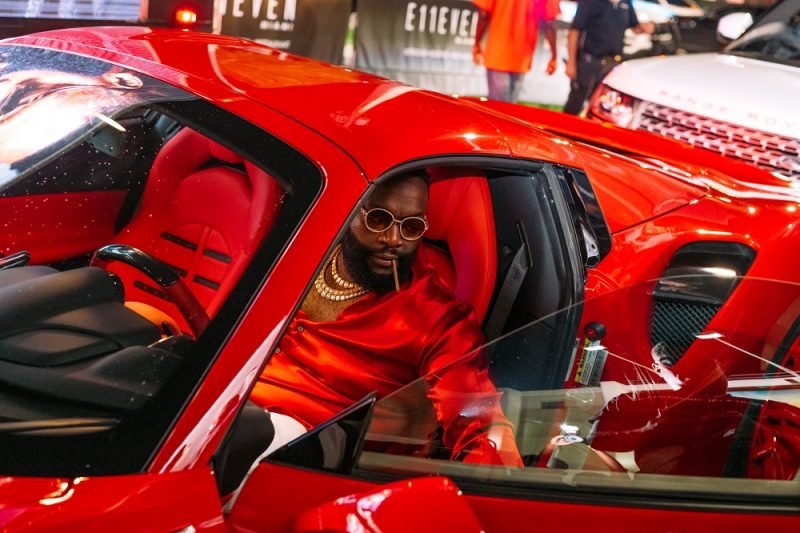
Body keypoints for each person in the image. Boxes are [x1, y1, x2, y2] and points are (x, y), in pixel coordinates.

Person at [250, 171, 522, 467]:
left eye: (411, 227)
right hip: (233, 403)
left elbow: (481, 428)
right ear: (351, 209)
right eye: (379, 220)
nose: (393, 240)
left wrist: (497, 483)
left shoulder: (440, 320)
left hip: (311, 450)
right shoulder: (304, 250)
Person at [563, 0, 654, 115]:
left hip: (611, 64)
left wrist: (646, 27)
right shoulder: (589, 2)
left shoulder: (626, 3)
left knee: (602, 106)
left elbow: (634, 26)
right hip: (589, 61)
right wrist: (571, 62)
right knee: (576, 102)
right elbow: (574, 31)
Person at [472, 0, 560, 103]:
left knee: (498, 108)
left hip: (498, 54)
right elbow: (549, 23)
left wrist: (477, 43)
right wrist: (554, 56)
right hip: (521, 58)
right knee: (510, 107)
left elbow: (483, 14)